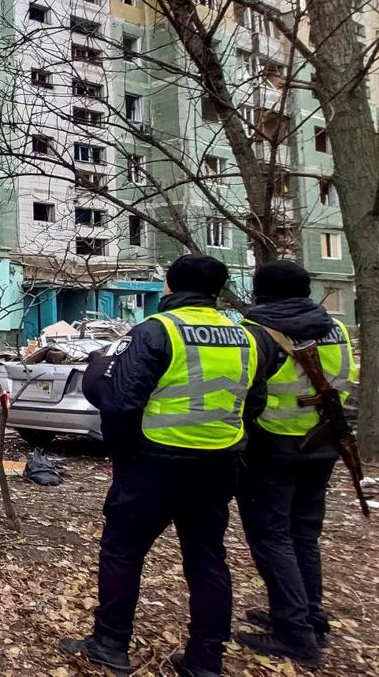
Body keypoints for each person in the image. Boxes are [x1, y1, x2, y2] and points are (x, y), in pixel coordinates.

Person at [61, 254, 259, 677]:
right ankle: (207, 659)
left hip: (155, 462)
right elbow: (254, 401)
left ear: (169, 287)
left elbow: (121, 399)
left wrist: (121, 451)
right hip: (218, 463)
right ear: (217, 291)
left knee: (123, 552)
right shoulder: (246, 336)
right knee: (207, 560)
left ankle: (111, 644)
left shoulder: (157, 331)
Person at [234, 261, 357, 667]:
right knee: (303, 535)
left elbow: (248, 395)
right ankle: (310, 616)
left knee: (272, 537)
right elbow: (347, 378)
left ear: (261, 292)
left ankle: (294, 632)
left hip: (272, 448)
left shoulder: (259, 333)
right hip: (322, 445)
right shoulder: (335, 328)